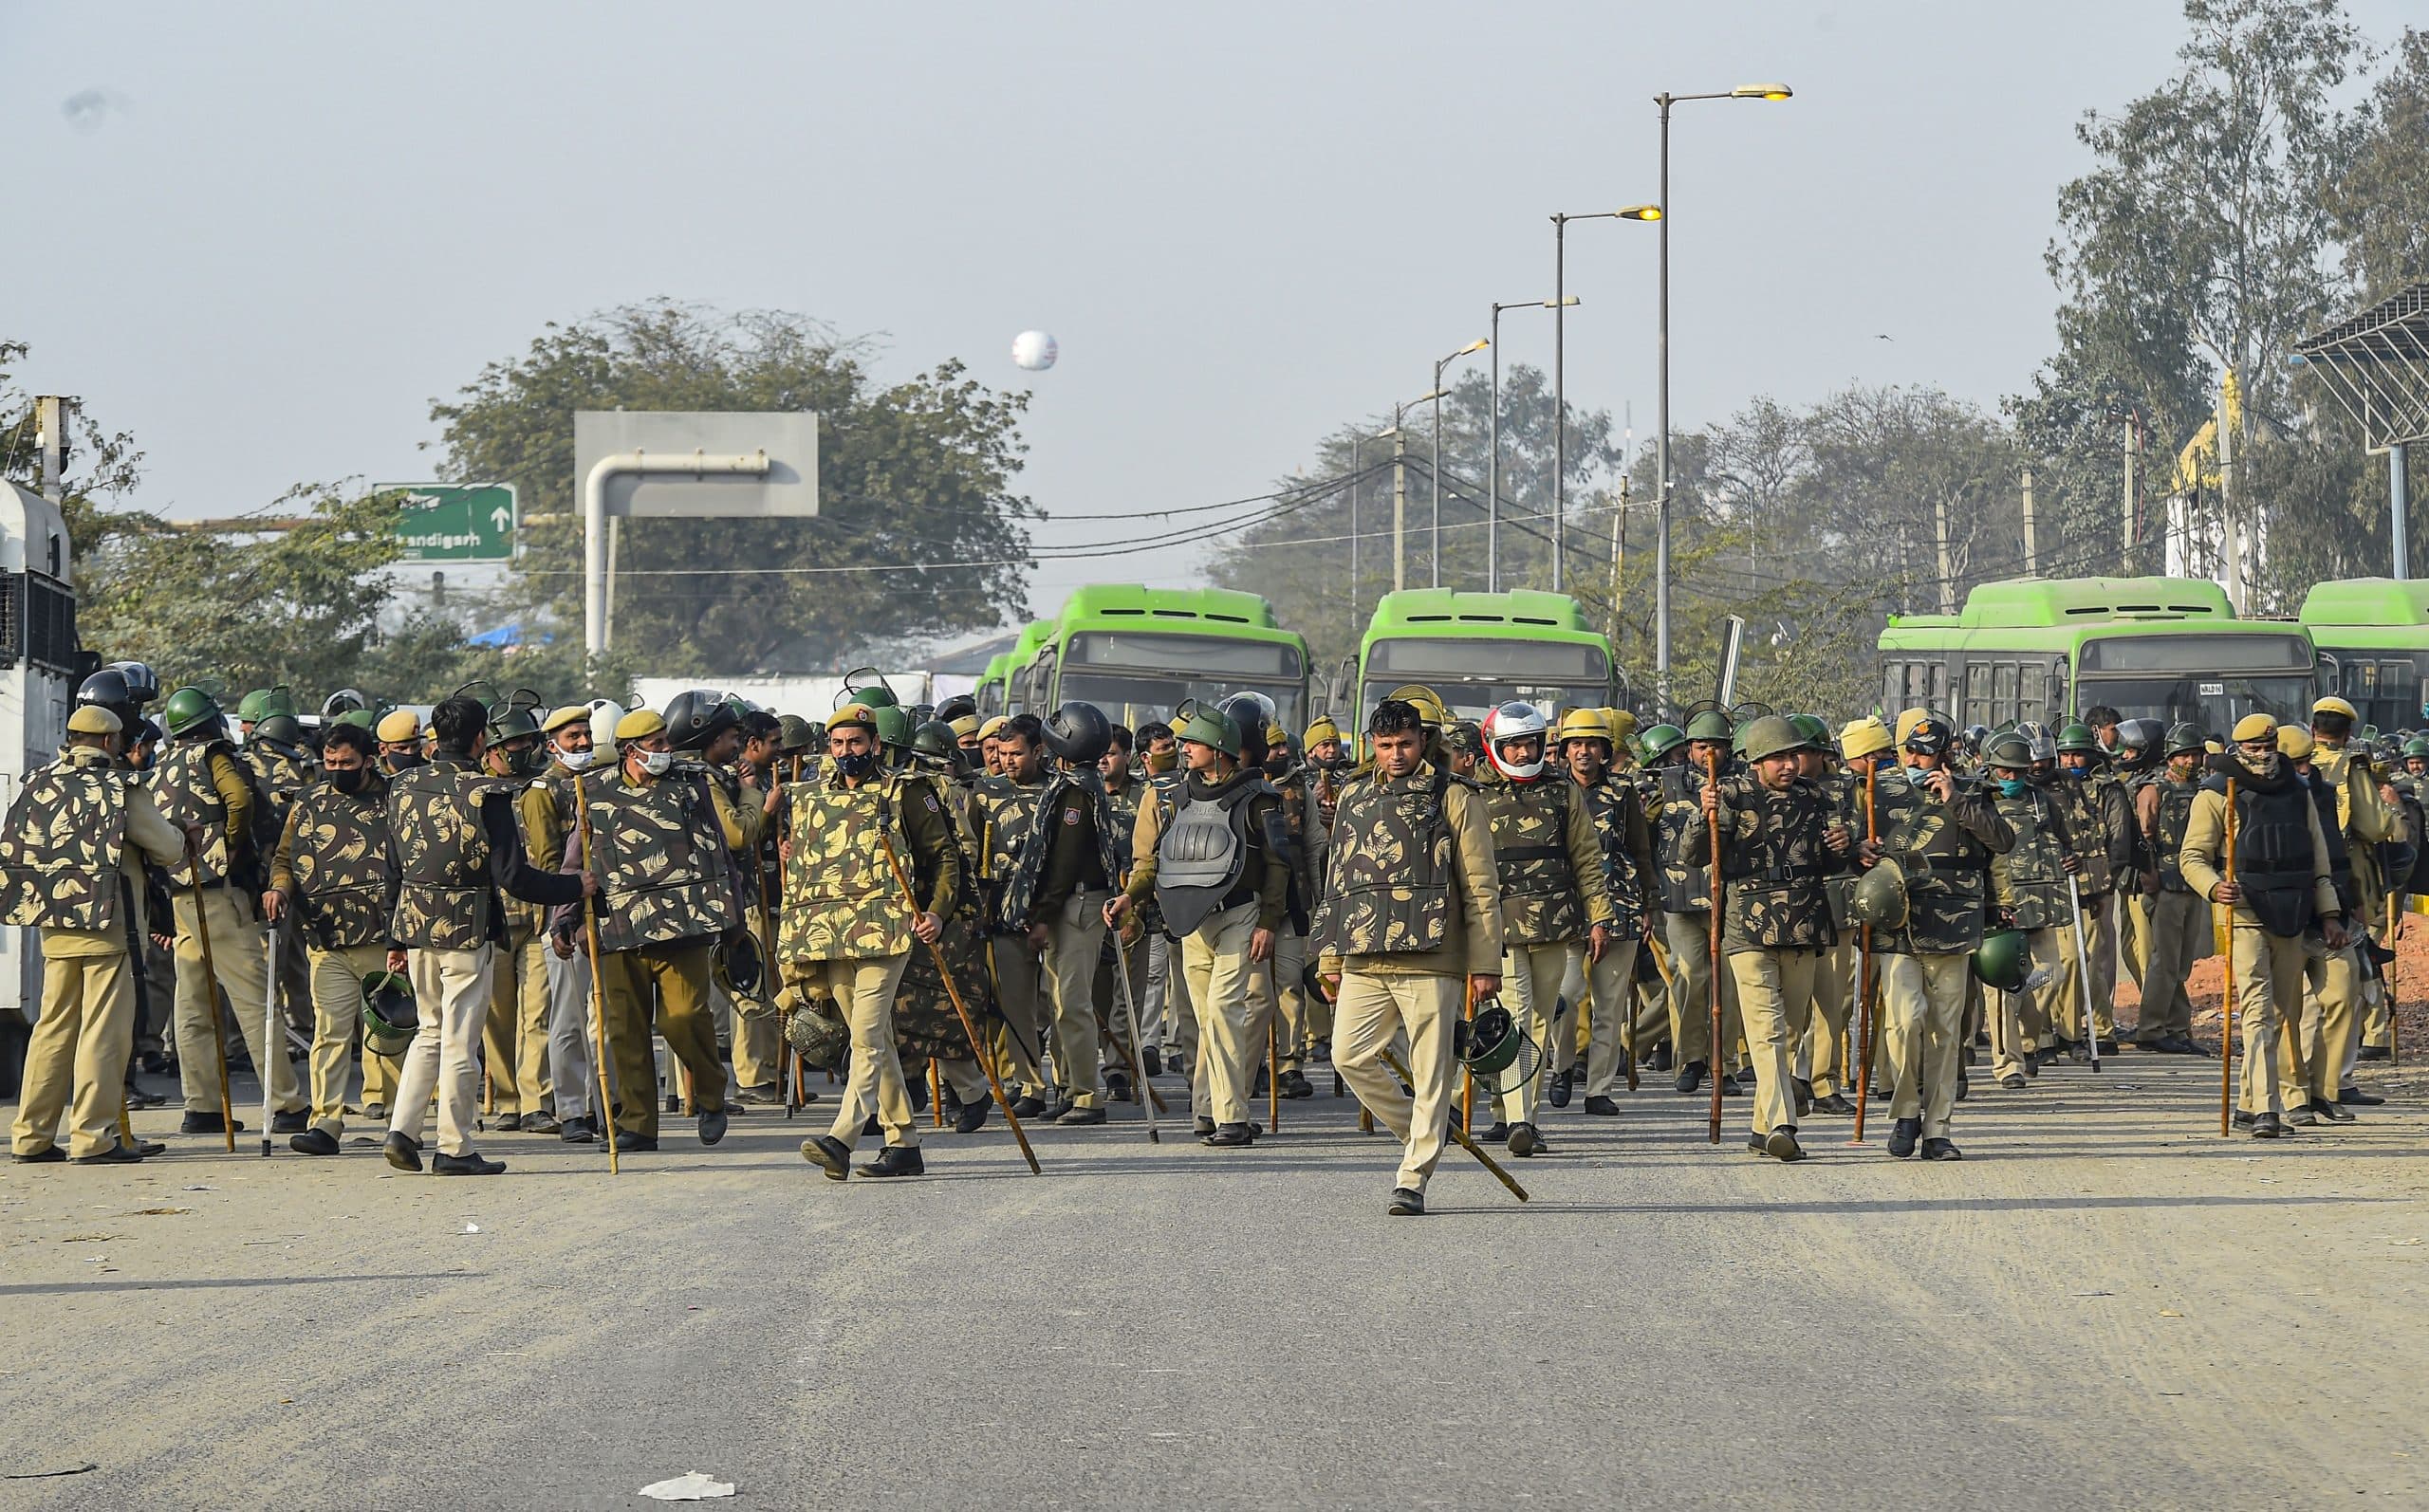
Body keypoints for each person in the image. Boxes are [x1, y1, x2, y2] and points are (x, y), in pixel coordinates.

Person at [382, 697, 590, 1175]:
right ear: (481, 739)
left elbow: (392, 864)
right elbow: (515, 878)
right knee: (460, 1039)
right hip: (465, 925)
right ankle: (453, 1148)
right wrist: (573, 885)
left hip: (415, 924)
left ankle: (402, 1130)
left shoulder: (403, 784)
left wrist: (394, 933)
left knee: (429, 1030)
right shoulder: (487, 793)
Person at [1315, 696, 1502, 1216]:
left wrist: (1485, 964)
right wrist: (1329, 954)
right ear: (1372, 745)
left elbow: (1482, 885)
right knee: (1347, 1056)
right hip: (1363, 950)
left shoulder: (1456, 796)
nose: (1395, 754)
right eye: (1385, 744)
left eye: (1405, 744)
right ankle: (1425, 1128)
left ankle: (1413, 1176)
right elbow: (1338, 878)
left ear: (1424, 742)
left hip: (1433, 953)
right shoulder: (1353, 794)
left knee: (1432, 1070)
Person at [4, 706, 191, 1163]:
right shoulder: (122, 787)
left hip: (54, 922)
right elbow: (167, 848)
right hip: (111, 926)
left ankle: (32, 1136)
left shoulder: (39, 782)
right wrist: (183, 835)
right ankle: (93, 1137)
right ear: (110, 743)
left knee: (52, 1029)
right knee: (103, 1033)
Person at [789, 705, 962, 1181]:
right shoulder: (813, 797)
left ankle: (841, 1138)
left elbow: (944, 856)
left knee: (865, 1038)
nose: (847, 753)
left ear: (876, 745)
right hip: (832, 933)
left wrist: (936, 912)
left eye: (857, 743)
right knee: (876, 1039)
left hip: (888, 931)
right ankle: (903, 1143)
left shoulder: (904, 792)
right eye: (839, 744)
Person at [1107, 700, 1289, 1146]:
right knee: (1207, 1018)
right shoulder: (1178, 798)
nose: (1185, 748)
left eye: (1194, 742)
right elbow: (1159, 863)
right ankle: (1206, 1110)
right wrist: (1130, 896)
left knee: (1225, 1012)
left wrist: (1268, 921)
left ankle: (1232, 1118)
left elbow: (1278, 865)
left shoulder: (1260, 798)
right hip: (1192, 920)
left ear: (1221, 749)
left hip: (1241, 914)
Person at [577, 707, 747, 1152]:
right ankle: (638, 1124)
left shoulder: (691, 783)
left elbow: (718, 846)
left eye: (666, 742)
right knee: (625, 1029)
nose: (666, 751)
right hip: (618, 925)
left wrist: (734, 915)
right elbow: (576, 861)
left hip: (684, 920)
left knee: (685, 1016)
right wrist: (567, 918)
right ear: (630, 751)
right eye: (656, 745)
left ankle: (711, 1094)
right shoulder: (591, 791)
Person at [2178, 713, 2346, 1140]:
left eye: (2269, 747)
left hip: (2293, 912)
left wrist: (2328, 915)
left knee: (2283, 1012)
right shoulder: (2218, 792)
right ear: (2239, 749)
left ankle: (2247, 1104)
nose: (2263, 755)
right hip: (2246, 915)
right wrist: (2216, 888)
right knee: (2257, 1012)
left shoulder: (2297, 791)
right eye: (2253, 748)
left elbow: (2318, 859)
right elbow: (2191, 857)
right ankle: (2268, 1110)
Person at [150, 686, 306, 1136]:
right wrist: (231, 845)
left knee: (194, 1005)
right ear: (209, 722)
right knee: (255, 1003)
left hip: (181, 895)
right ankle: (285, 1102)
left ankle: (200, 1105)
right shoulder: (213, 754)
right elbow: (239, 799)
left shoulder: (162, 763)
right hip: (220, 896)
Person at [1694, 715, 1851, 1162]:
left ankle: (1761, 1127)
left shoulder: (1818, 798)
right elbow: (1693, 855)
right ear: (1755, 762)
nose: (1788, 765)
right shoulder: (1729, 795)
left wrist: (1844, 843)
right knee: (1765, 1030)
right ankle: (1784, 1122)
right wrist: (1700, 815)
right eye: (1777, 758)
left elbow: (1833, 864)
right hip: (1748, 924)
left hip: (1803, 922)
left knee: (1789, 1030)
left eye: (1792, 756)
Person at [1859, 714, 2012, 1160]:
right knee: (1905, 1021)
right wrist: (1857, 850)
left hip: (1954, 919)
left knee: (1946, 1030)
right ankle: (1906, 1108)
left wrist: (1957, 800)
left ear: (1945, 755)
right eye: (1913, 750)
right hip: (1900, 921)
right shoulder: (1878, 789)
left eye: (1928, 752)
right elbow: (1853, 844)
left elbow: (2002, 841)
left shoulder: (1972, 792)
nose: (1918, 759)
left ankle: (1937, 1128)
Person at [1473, 702, 1614, 1155]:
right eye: (1512, 744)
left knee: (1538, 1016)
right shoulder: (1474, 792)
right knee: (1516, 1016)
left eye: (1528, 743)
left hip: (1555, 922)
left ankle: (1515, 1115)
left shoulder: (1562, 790)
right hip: (1498, 925)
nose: (1520, 752)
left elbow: (1587, 857)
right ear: (1495, 746)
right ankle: (1519, 1118)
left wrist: (1600, 915)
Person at [265, 722, 403, 1154]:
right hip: (326, 939)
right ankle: (325, 1123)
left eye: (346, 762)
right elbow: (284, 858)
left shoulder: (394, 800)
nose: (337, 769)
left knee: (392, 1033)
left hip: (382, 938)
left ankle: (403, 1123)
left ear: (368, 759)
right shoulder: (306, 804)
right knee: (330, 1032)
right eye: (329, 763)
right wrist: (279, 889)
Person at [1556, 709, 1655, 1116]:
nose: (1583, 752)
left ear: (1604, 751)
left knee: (1608, 1005)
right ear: (1565, 751)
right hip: (1565, 906)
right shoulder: (1553, 791)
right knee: (1564, 996)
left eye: (1591, 745)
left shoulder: (1623, 792)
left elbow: (1641, 849)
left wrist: (1649, 903)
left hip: (1620, 904)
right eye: (1576, 744)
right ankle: (1562, 1067)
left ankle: (1598, 1088)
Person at [1654, 710, 1746, 1098]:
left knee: (1729, 981)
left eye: (1717, 747)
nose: (1709, 753)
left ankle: (1723, 1063)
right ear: (1689, 748)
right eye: (1700, 746)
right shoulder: (1666, 783)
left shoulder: (1744, 785)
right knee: (1692, 976)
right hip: (1681, 897)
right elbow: (1643, 835)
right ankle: (1690, 1058)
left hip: (1731, 897)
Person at [528, 705, 607, 1141]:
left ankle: (604, 1103)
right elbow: (546, 863)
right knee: (569, 1020)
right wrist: (564, 915)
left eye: (585, 735)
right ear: (552, 743)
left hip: (606, 917)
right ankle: (572, 1109)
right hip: (564, 915)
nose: (581, 743)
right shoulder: (543, 791)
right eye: (572, 736)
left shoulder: (598, 782)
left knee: (605, 1020)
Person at [1983, 730, 2077, 1089]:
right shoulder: (1979, 802)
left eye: (2018, 772)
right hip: (1999, 908)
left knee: (2052, 972)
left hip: (2040, 902)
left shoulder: (2043, 801)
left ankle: (2029, 1040)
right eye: (2004, 771)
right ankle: (2008, 1065)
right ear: (1990, 767)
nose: (2010, 779)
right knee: (1998, 987)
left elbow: (2065, 842)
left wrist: (2071, 860)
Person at [479, 698, 555, 1131]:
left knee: (537, 1013)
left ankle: (535, 1102)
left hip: (539, 916)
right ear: (491, 748)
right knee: (497, 1018)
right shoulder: (474, 791)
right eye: (514, 742)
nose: (523, 749)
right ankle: (507, 1099)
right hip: (494, 921)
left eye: (528, 740)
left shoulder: (545, 788)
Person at [2126, 725, 2213, 1054]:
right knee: (2164, 959)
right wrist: (2149, 877)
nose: (2190, 761)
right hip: (2166, 883)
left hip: (2195, 883)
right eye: (2184, 755)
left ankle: (2178, 1027)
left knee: (2182, 962)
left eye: (2194, 754)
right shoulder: (2154, 788)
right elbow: (2143, 836)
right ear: (2170, 757)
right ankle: (2151, 1029)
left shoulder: (2203, 789)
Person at [375, 709, 424, 776]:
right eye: (402, 748)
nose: (410, 752)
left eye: (415, 746)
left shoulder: (429, 775)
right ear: (383, 749)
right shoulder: (376, 781)